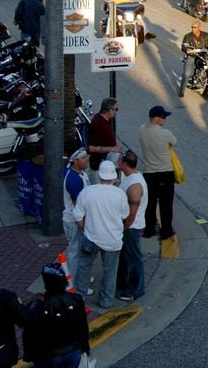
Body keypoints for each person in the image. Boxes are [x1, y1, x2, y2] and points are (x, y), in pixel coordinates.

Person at [72, 160, 130, 310]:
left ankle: (80, 297)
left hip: (91, 237)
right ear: (113, 176)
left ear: (99, 175)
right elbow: (125, 214)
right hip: (112, 240)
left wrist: (85, 229)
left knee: (84, 267)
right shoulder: (119, 194)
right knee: (110, 270)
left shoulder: (87, 192)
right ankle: (106, 301)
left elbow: (78, 216)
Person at [23, 263, 91, 368]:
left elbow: (29, 333)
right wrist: (85, 347)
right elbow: (82, 326)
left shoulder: (40, 306)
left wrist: (29, 355)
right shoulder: (75, 299)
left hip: (49, 356)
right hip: (73, 351)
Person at [139, 105, 177, 240]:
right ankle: (166, 230)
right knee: (166, 203)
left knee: (150, 202)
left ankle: (149, 228)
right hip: (165, 172)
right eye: (163, 117)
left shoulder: (142, 130)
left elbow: (144, 126)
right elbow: (174, 142)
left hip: (149, 173)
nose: (165, 119)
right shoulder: (165, 133)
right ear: (155, 119)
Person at [116, 148, 148, 301]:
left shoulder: (134, 186)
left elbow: (132, 212)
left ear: (124, 163)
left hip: (131, 227)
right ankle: (122, 283)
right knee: (125, 257)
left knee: (134, 259)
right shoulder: (131, 177)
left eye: (119, 160)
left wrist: (124, 226)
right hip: (129, 226)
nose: (117, 161)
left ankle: (135, 289)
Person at [62, 148, 90, 293]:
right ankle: (73, 282)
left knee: (76, 250)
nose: (87, 160)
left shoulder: (79, 174)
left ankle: (79, 276)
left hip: (74, 219)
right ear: (75, 161)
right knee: (74, 251)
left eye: (86, 157)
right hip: (74, 221)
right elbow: (79, 205)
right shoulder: (74, 180)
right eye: (84, 158)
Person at [87, 97, 120, 177]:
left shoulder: (103, 120)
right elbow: (92, 147)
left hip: (104, 163)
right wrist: (113, 149)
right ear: (109, 109)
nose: (116, 112)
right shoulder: (99, 124)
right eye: (115, 109)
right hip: (100, 166)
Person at [181, 21, 208, 89]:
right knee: (187, 74)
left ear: (199, 28)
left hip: (204, 56)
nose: (193, 29)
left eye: (195, 27)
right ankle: (182, 90)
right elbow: (184, 46)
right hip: (193, 56)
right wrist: (187, 50)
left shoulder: (206, 35)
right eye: (192, 27)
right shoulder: (188, 36)